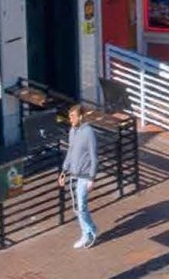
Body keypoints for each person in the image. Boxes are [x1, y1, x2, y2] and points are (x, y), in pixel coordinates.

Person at [58, 104, 98, 249]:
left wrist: (92, 178)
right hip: (74, 174)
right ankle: (86, 232)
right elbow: (70, 151)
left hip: (85, 175)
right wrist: (64, 171)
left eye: (73, 117)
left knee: (81, 206)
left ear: (80, 117)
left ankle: (90, 232)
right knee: (76, 208)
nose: (71, 120)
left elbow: (94, 156)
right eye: (70, 117)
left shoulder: (88, 132)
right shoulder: (72, 131)